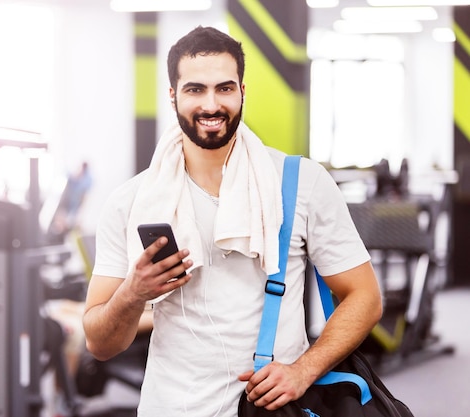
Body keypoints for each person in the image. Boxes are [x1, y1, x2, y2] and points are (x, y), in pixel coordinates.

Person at [82, 26, 382, 416]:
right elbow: (100, 344)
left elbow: (366, 297)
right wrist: (134, 292)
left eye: (224, 88)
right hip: (170, 406)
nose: (211, 105)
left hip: (273, 407)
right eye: (195, 90)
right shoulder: (131, 202)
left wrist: (304, 370)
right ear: (173, 96)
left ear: (242, 91)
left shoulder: (299, 184)